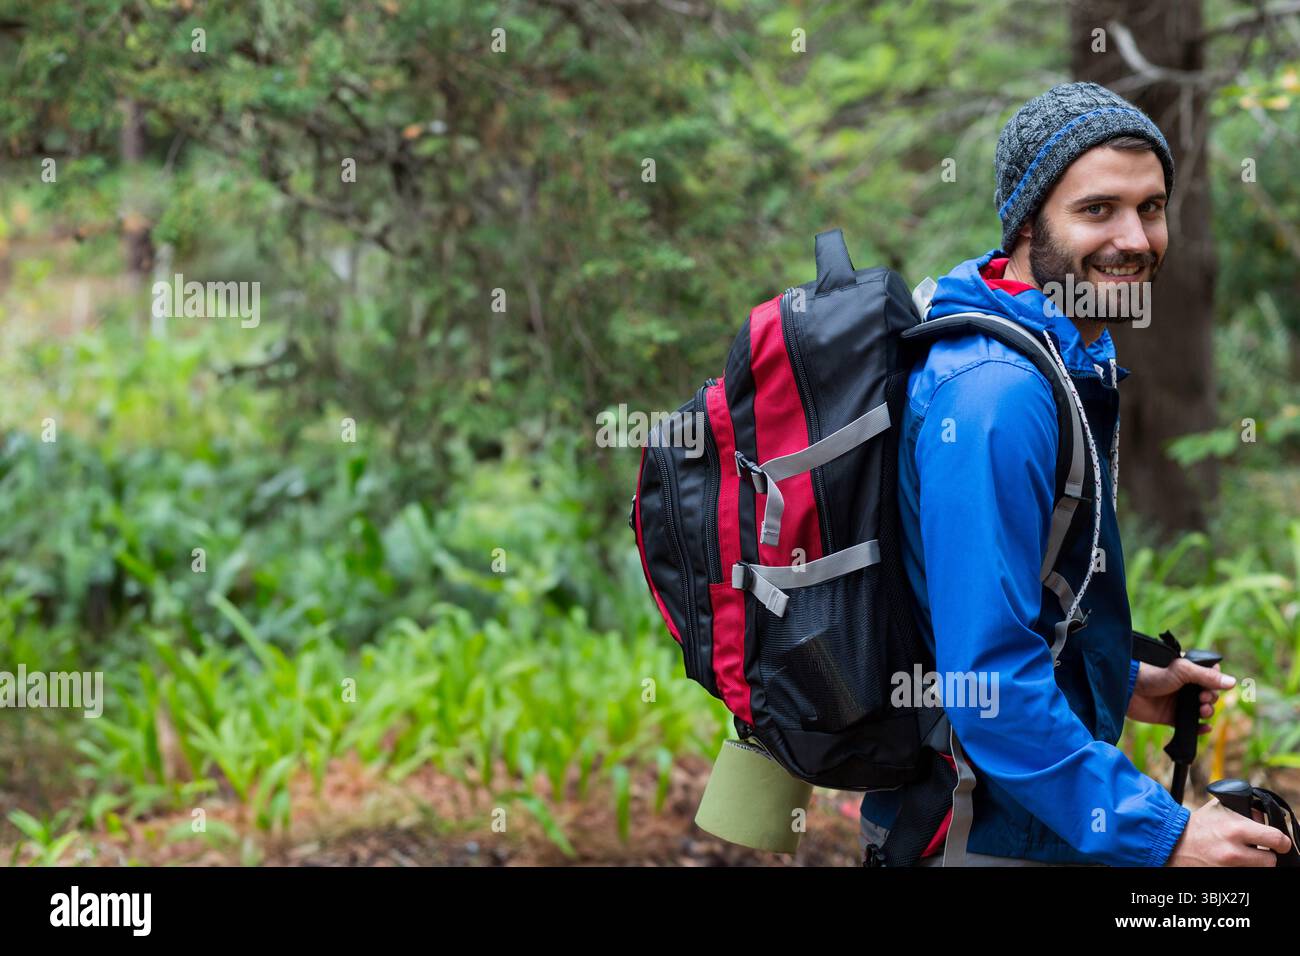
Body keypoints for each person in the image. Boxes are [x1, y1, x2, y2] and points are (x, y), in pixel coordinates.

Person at [859, 81, 1294, 866]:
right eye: (1097, 210)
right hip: (978, 833)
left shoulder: (1060, 354)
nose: (1134, 236)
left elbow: (1002, 610)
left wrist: (1118, 677)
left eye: (1151, 207)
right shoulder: (995, 393)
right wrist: (1164, 835)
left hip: (1031, 821)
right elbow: (984, 688)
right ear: (1028, 221)